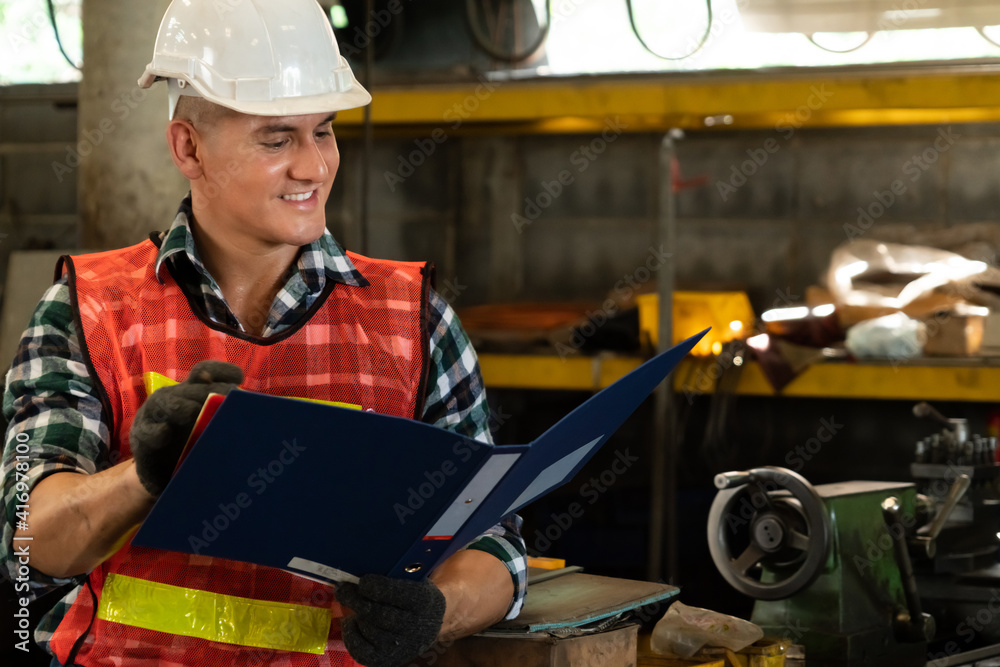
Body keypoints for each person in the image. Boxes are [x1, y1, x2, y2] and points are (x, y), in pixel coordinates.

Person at [0, 1, 527, 665]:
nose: (313, 167)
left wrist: (439, 609)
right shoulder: (88, 309)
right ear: (189, 146)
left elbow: (495, 543)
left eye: (324, 132)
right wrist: (146, 476)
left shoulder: (413, 319)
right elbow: (28, 544)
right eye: (277, 139)